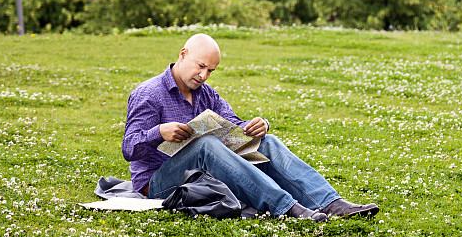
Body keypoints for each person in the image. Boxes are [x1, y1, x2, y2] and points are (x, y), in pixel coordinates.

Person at [122, 33, 378, 222]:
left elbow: (232, 123)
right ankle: (287, 208)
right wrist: (159, 133)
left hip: (200, 173)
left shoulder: (205, 93)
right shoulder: (149, 94)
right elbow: (129, 148)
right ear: (183, 53)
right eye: (201, 66)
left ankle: (330, 203)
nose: (204, 76)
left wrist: (255, 127)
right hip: (157, 182)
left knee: (267, 143)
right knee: (207, 146)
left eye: (211, 70)